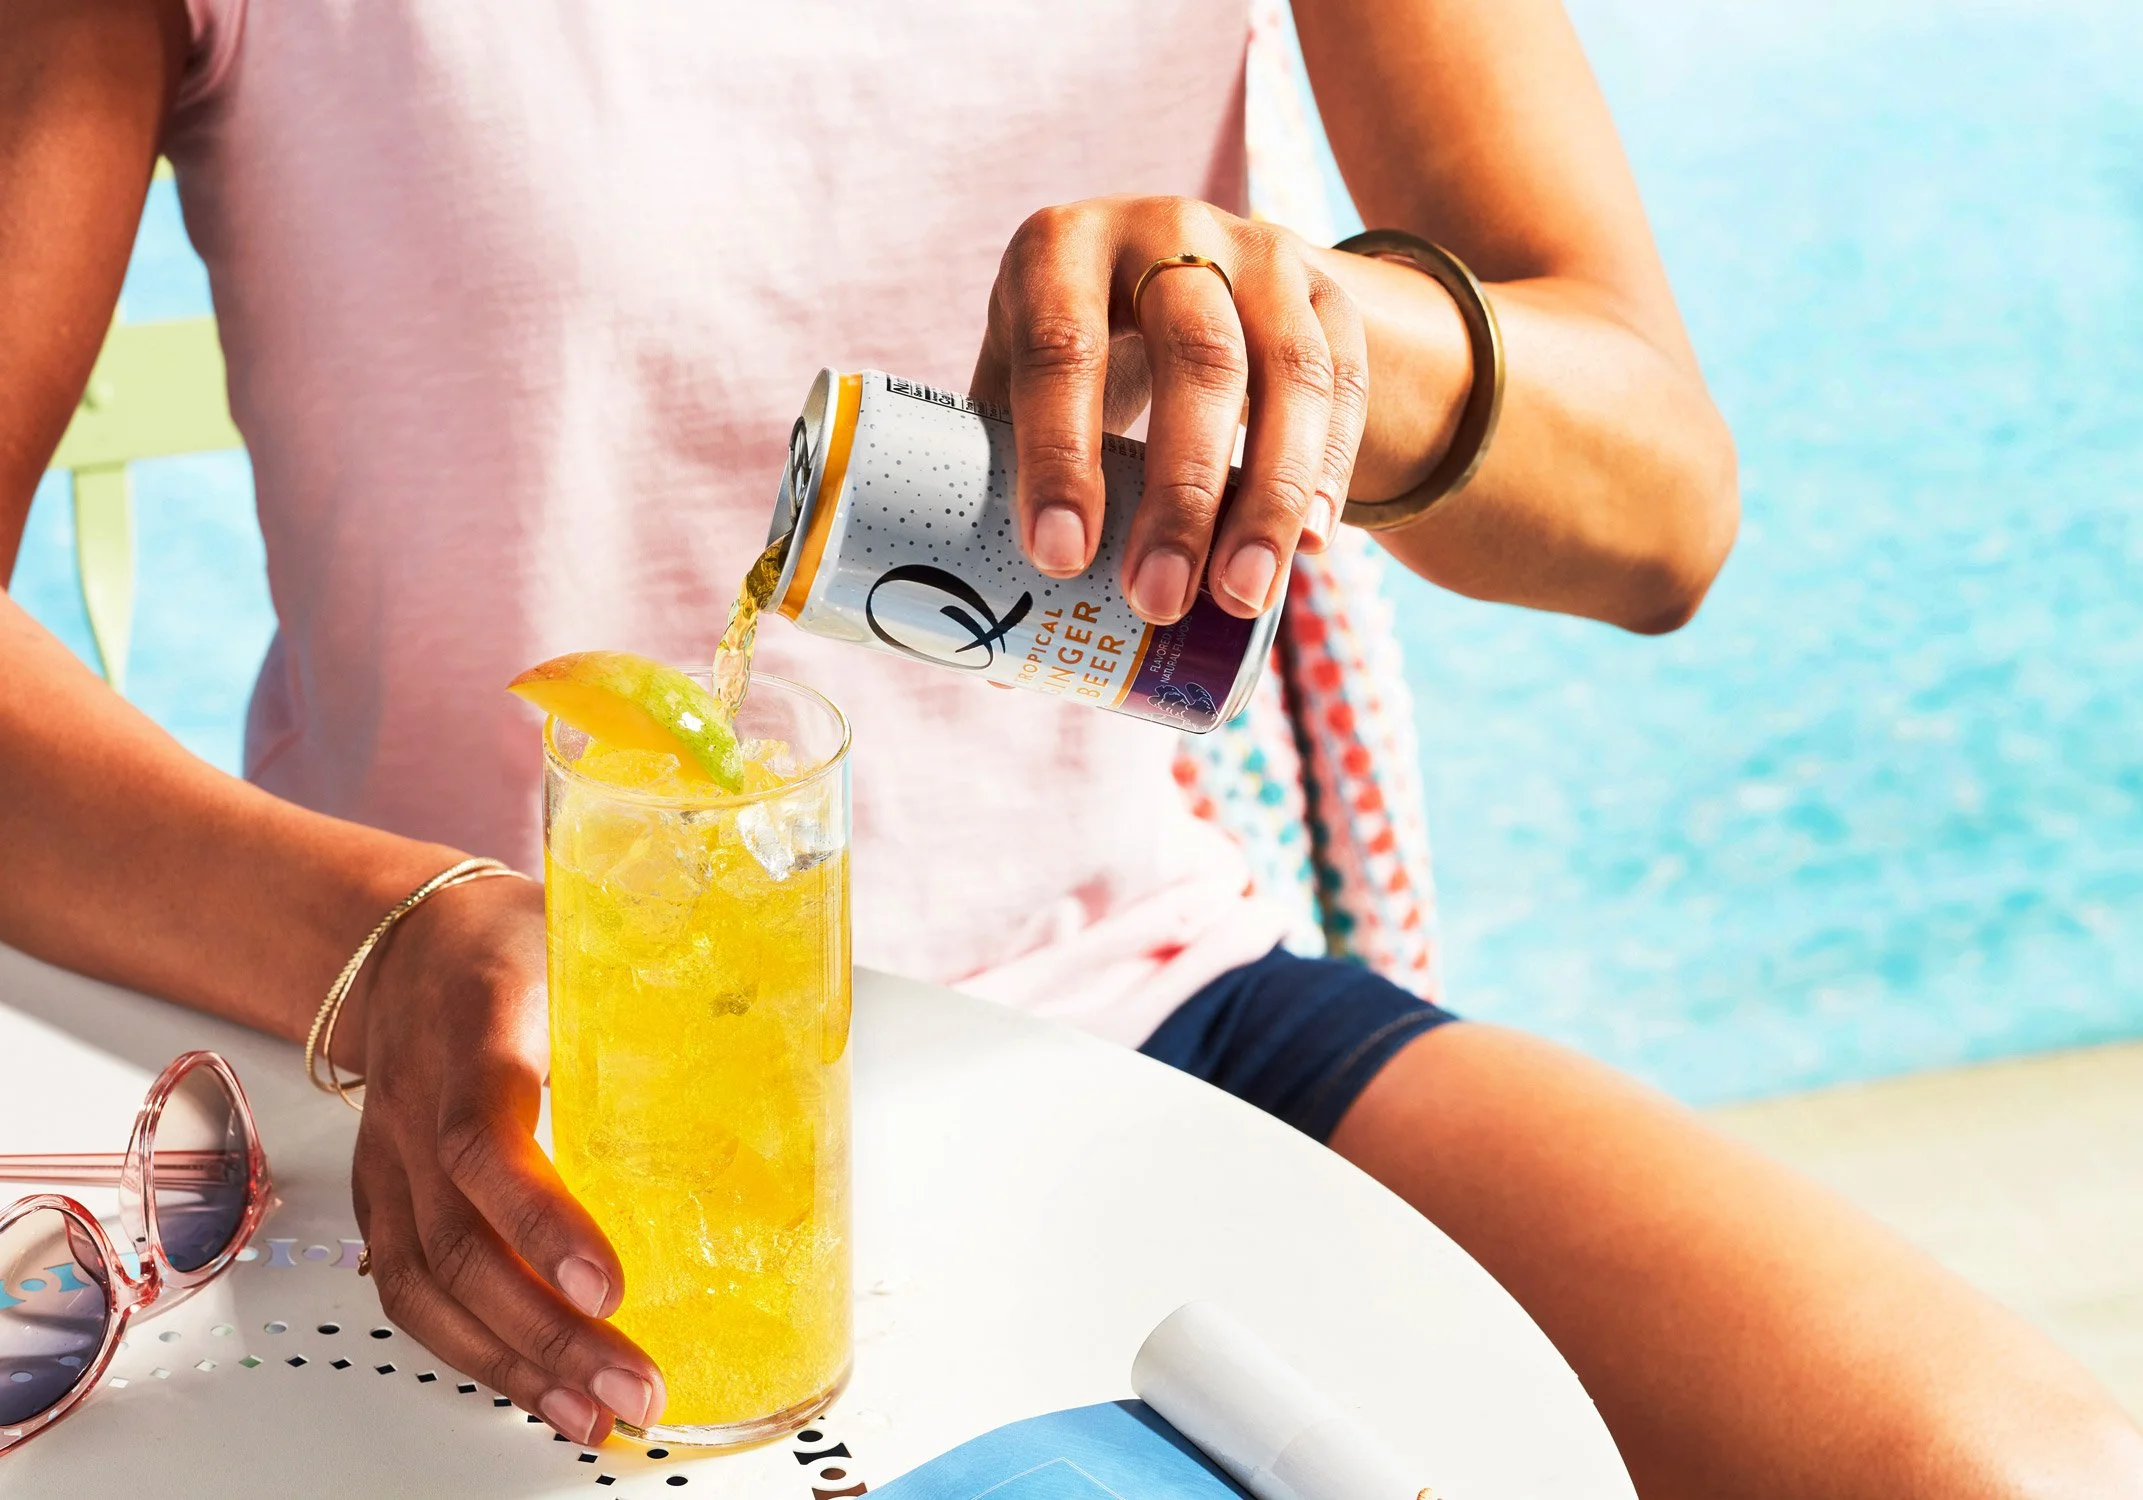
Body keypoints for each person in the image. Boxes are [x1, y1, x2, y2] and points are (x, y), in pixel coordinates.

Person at [2, 1, 2137, 1493]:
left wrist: (1325, 337)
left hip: (1138, 998)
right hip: (499, 1128)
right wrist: (385, 935)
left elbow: (1663, 510)